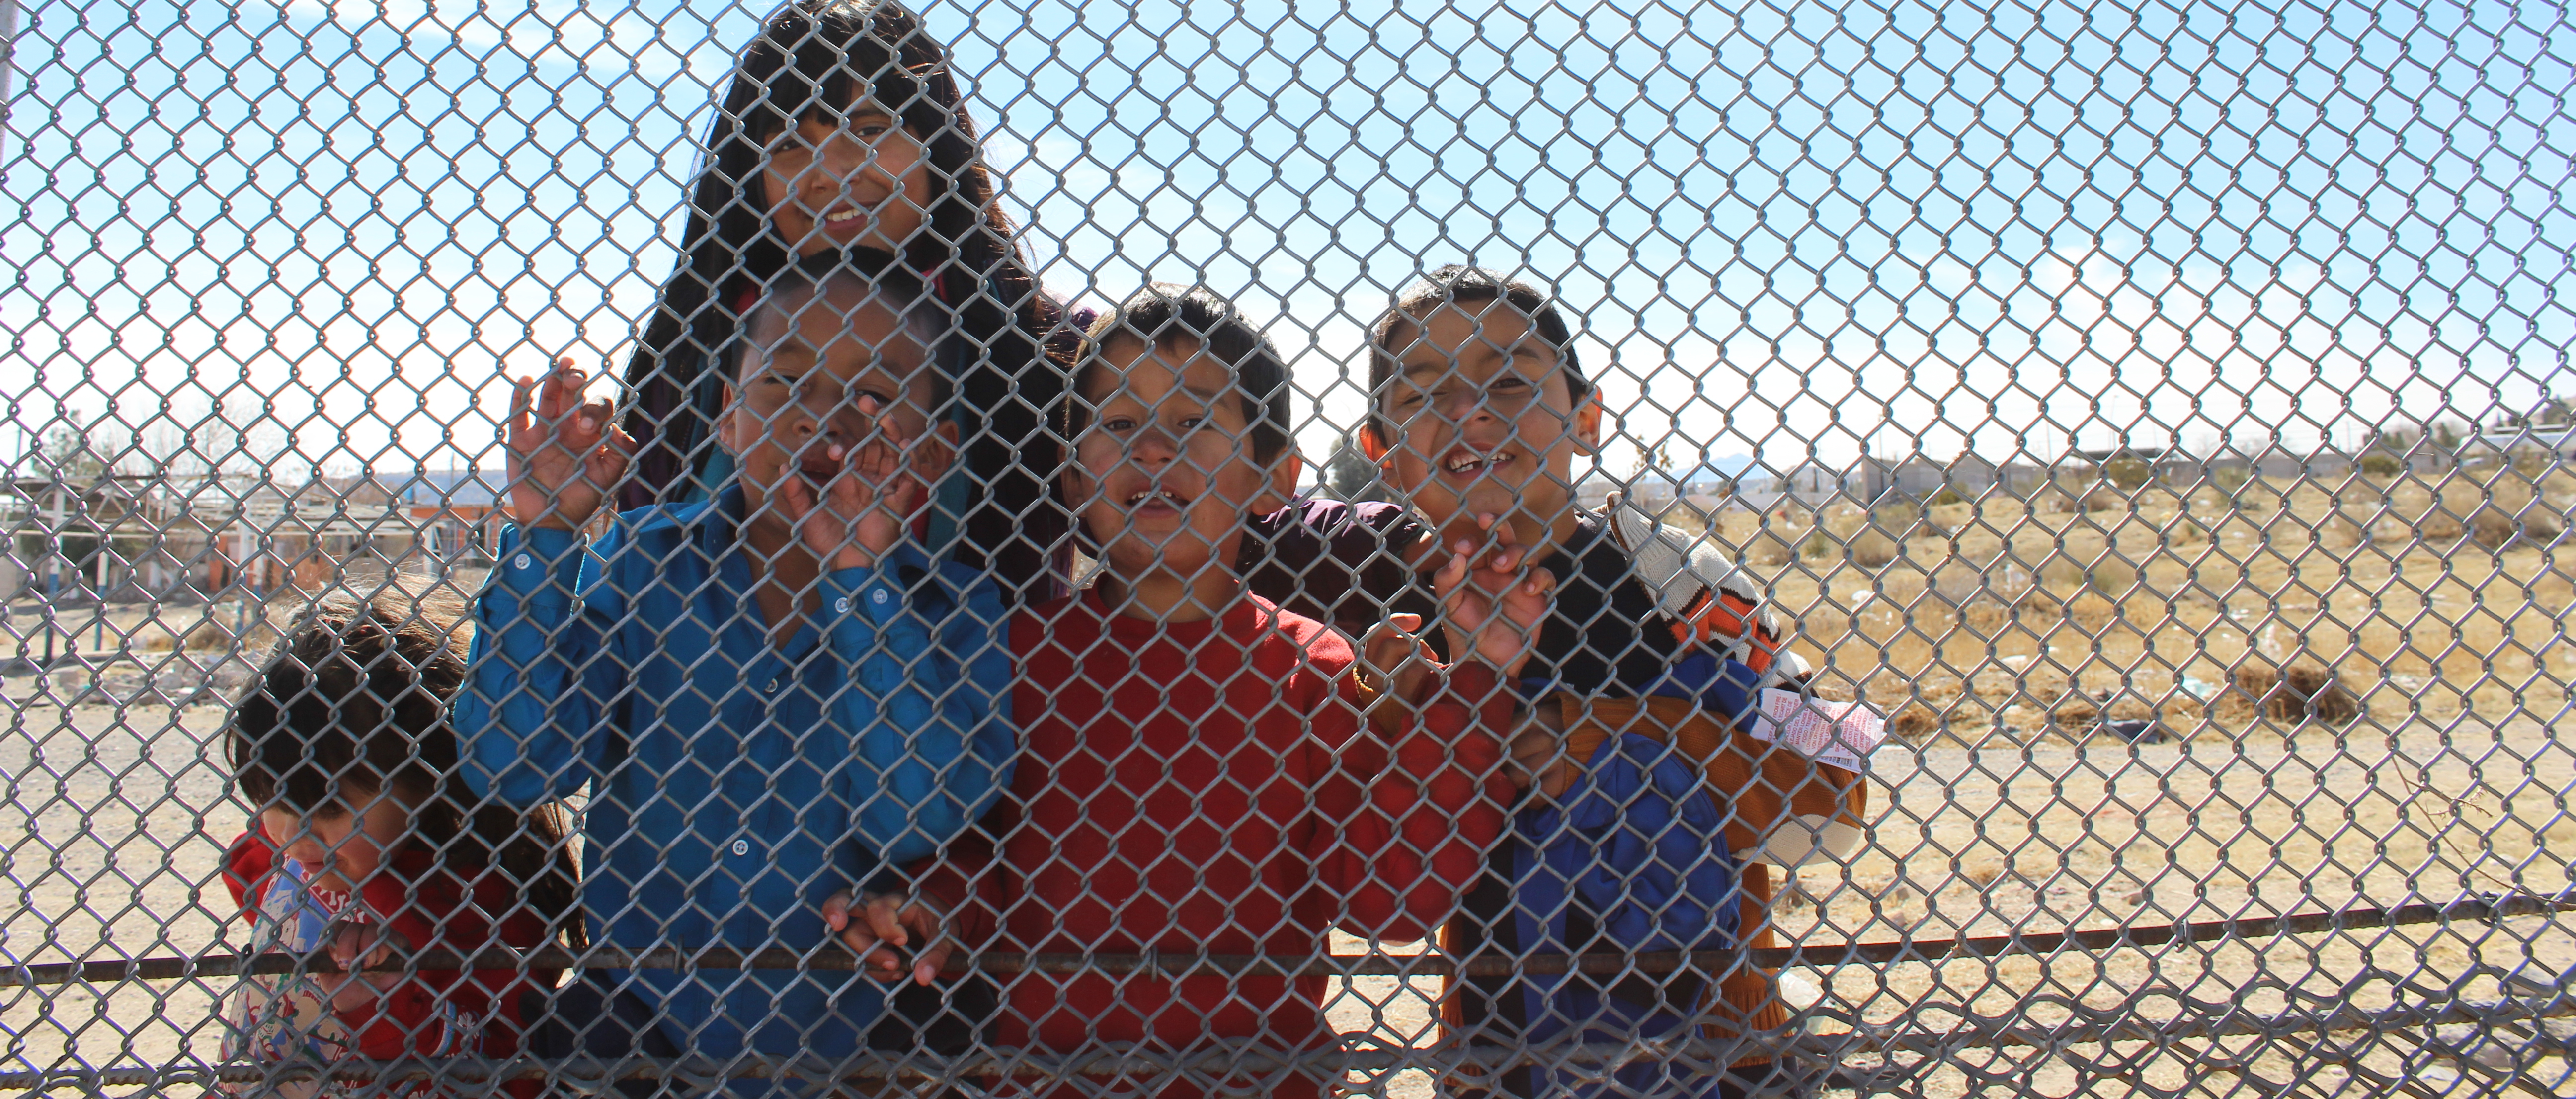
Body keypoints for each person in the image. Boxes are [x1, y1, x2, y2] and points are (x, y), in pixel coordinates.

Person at [843, 285, 1550, 1099]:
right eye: (1116, 425)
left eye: (1193, 423)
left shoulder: (1311, 667)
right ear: (1073, 477)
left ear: (1271, 479)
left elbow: (1388, 900)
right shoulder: (1014, 656)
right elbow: (987, 859)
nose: (1151, 448)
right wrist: (935, 906)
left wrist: (1478, 678)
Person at [1251, 266, 1870, 1099]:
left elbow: (1833, 792)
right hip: (1501, 1052)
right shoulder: (1385, 612)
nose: (1469, 412)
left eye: (1507, 381)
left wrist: (1628, 733)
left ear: (1584, 419)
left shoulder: (1676, 580)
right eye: (1422, 393)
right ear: (1381, 454)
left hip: (1717, 1049)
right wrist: (1389, 710)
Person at [458, 264, 1014, 1083]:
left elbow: (913, 820)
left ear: (932, 448)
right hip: (640, 1013)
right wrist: (544, 538)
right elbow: (513, 765)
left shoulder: (956, 608)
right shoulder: (643, 561)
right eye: (788, 380)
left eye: (872, 393)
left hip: (862, 1023)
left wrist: (859, 582)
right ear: (726, 417)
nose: (825, 414)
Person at [617, 0, 1076, 603]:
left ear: (935, 146)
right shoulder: (694, 351)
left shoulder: (1044, 346)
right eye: (787, 143)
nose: (831, 169)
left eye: (868, 129)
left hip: (987, 689)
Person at [217, 592, 579, 1097]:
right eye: (271, 799)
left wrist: (387, 1006)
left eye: (328, 808)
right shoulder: (290, 863)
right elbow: (253, 871)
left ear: (424, 775)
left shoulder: (471, 906)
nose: (292, 837)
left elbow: (506, 1074)